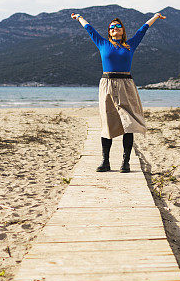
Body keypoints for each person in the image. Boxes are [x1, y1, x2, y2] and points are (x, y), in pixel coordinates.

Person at [71, 11, 166, 172]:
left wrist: (156, 17)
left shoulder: (130, 44)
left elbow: (143, 29)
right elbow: (89, 28)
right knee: (107, 123)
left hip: (126, 85)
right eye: (112, 27)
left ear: (123, 30)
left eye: (118, 26)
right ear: (109, 31)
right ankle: (105, 161)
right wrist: (79, 17)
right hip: (107, 84)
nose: (115, 28)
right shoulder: (102, 43)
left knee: (128, 124)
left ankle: (125, 162)